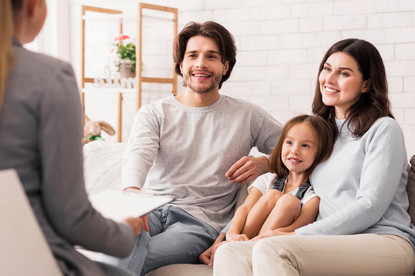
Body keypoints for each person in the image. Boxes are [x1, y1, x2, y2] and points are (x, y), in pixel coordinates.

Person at [213, 38, 415, 276]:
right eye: (327, 69)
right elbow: (289, 167)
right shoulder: (322, 132)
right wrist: (223, 236)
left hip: (383, 241)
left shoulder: (383, 129)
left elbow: (370, 206)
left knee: (272, 249)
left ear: (366, 84)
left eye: (344, 73)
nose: (329, 79)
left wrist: (296, 234)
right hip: (330, 242)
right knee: (229, 252)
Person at [103, 21, 282, 275]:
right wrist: (133, 197)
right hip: (152, 208)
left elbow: (297, 148)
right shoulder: (155, 112)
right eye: (193, 56)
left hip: (198, 223)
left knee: (132, 256)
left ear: (225, 66)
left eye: (212, 56)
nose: (201, 64)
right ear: (181, 65)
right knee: (123, 237)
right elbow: (138, 154)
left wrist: (265, 163)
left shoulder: (248, 115)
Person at [0, 0, 149, 275]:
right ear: (34, 6)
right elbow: (71, 218)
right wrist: (124, 232)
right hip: (32, 260)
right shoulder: (49, 77)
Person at [200, 114, 333, 265]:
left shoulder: (311, 199)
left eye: (305, 145)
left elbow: (296, 231)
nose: (294, 150)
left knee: (289, 201)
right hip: (241, 239)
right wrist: (230, 235)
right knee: (273, 194)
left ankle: (246, 252)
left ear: (320, 153)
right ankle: (236, 248)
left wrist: (270, 236)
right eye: (289, 142)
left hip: (269, 247)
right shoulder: (268, 179)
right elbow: (245, 208)